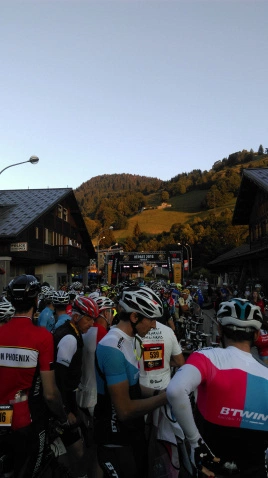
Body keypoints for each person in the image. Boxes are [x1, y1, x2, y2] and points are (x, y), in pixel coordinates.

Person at [167, 298, 268, 478]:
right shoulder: (266, 374)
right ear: (256, 335)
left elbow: (175, 391)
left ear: (220, 330)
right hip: (254, 469)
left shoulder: (206, 357)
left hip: (211, 467)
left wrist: (195, 442)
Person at [94, 286, 168, 478]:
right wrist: (166, 398)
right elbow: (124, 410)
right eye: (151, 319)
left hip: (133, 434)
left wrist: (156, 393)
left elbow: (132, 384)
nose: (154, 326)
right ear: (134, 317)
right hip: (115, 439)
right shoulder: (112, 347)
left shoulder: (131, 339)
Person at [0, 275, 68, 477]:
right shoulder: (42, 337)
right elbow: (50, 394)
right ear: (36, 300)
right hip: (26, 417)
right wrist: (62, 417)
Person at [54, 295, 98, 478]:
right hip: (62, 401)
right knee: (78, 450)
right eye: (88, 319)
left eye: (93, 320)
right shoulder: (70, 339)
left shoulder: (74, 333)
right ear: (76, 317)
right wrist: (66, 411)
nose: (91, 324)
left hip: (69, 398)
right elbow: (58, 378)